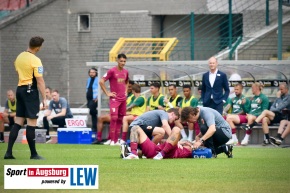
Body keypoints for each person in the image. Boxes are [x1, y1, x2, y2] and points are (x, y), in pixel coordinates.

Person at [4, 36, 46, 160]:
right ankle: (33, 154)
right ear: (38, 47)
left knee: (18, 121)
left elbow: (17, 71)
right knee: (31, 122)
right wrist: (44, 98)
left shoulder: (19, 57)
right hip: (30, 90)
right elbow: (40, 80)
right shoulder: (36, 60)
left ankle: (8, 153)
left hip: (20, 89)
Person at [99, 53, 129, 145]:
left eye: (124, 61)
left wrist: (126, 91)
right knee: (114, 117)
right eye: (121, 61)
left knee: (120, 119)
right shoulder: (112, 71)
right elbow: (101, 81)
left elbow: (127, 82)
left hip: (123, 99)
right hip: (114, 99)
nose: (123, 63)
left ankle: (115, 140)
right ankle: (112, 139)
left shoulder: (126, 72)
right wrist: (108, 93)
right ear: (117, 61)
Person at [123, 126, 193, 160]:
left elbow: (190, 148)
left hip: (168, 152)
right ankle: (133, 153)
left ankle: (162, 154)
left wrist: (181, 143)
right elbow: (170, 139)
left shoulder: (187, 151)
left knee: (177, 129)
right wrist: (179, 142)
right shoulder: (176, 143)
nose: (187, 142)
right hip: (155, 150)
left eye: (188, 143)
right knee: (135, 128)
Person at [86, 67, 99, 131]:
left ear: (96, 73)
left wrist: (98, 97)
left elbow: (101, 89)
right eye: (90, 72)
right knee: (92, 113)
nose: (92, 74)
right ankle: (94, 126)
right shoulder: (88, 79)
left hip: (95, 98)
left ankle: (95, 127)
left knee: (93, 112)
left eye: (93, 72)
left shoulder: (98, 79)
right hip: (89, 99)